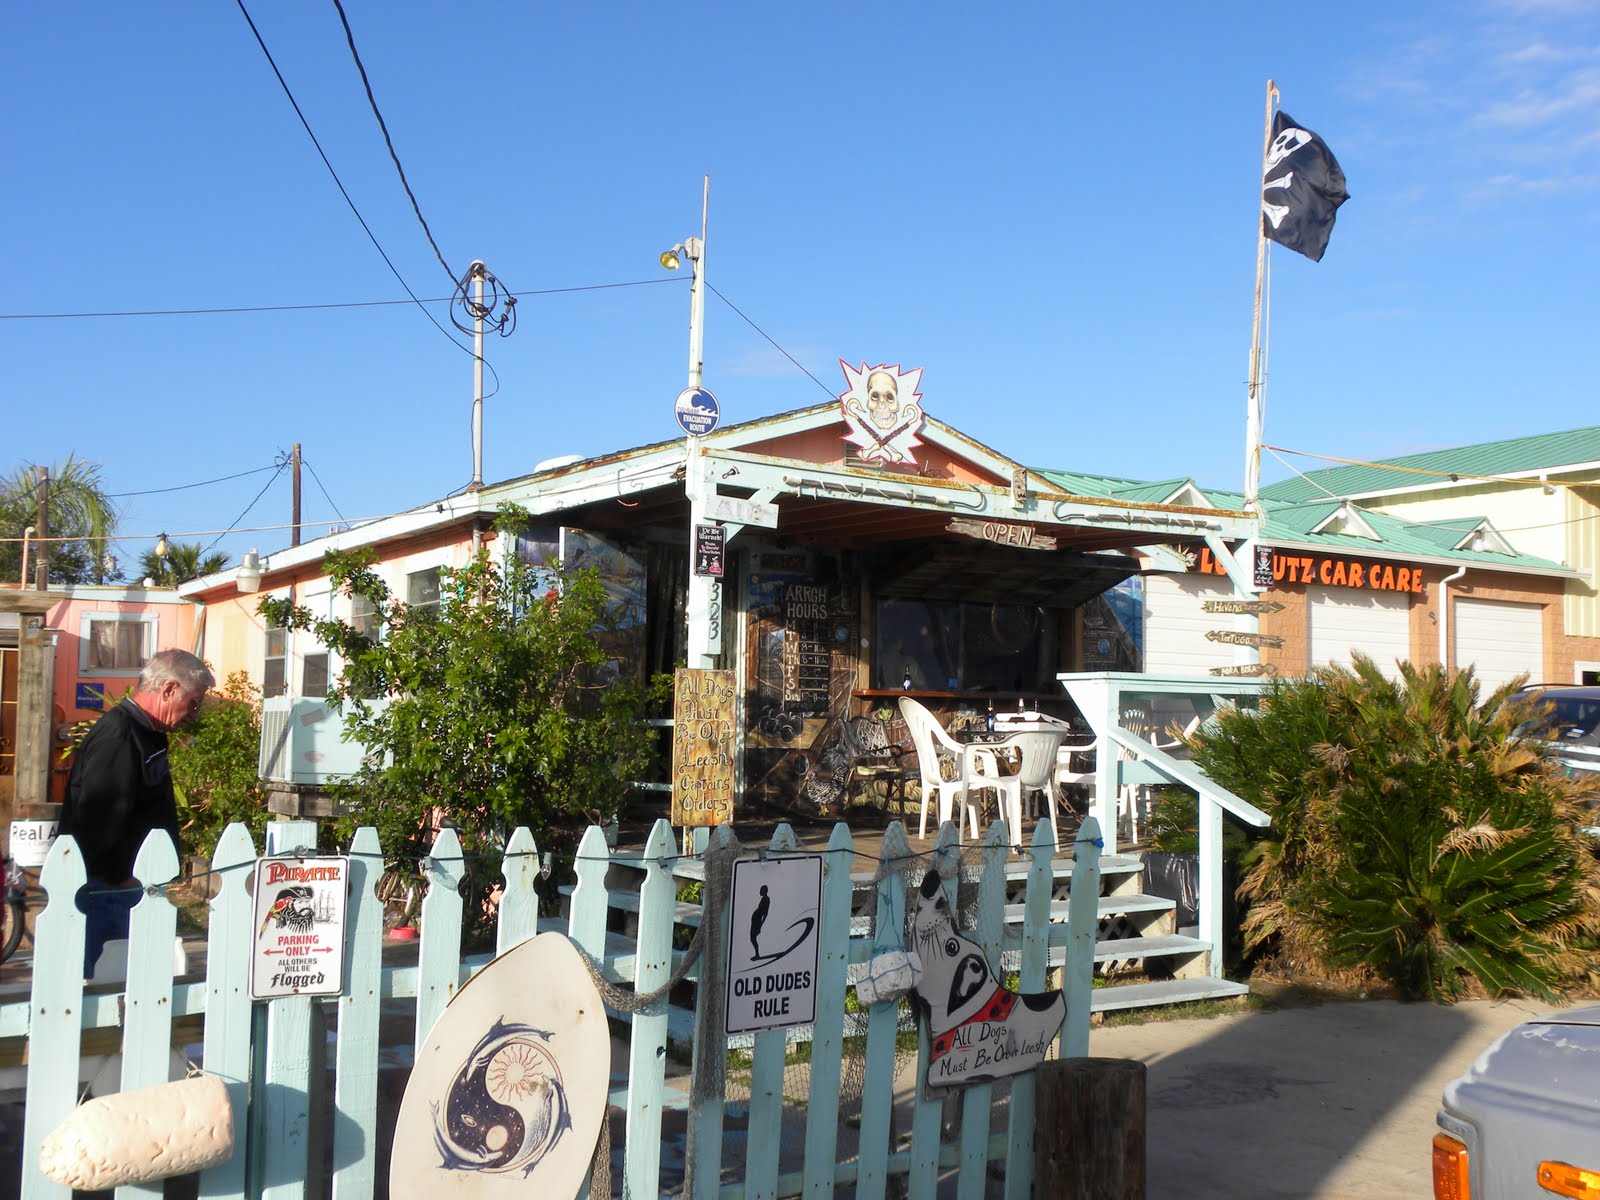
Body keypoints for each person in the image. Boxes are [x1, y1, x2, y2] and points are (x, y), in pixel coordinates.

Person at [60, 648, 214, 975]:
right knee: (105, 988)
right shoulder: (119, 734)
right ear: (169, 689)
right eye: (195, 702)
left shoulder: (148, 733)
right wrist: (121, 878)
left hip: (124, 887)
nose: (196, 713)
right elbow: (100, 815)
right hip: (107, 891)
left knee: (131, 989)